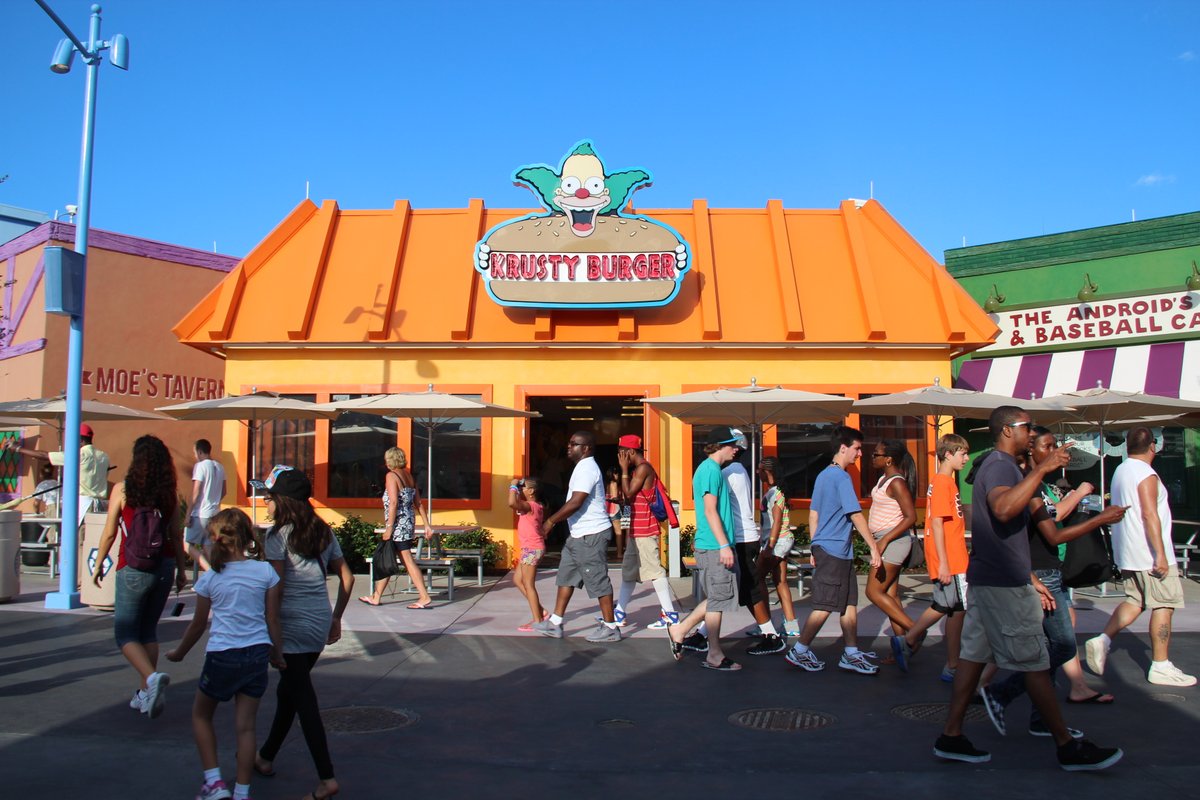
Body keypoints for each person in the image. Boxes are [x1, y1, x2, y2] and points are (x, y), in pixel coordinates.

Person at [934, 405, 1122, 771]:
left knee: (972, 661)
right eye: (1026, 428)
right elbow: (1004, 509)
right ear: (1007, 430)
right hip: (1003, 584)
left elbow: (1013, 533)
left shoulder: (1000, 466)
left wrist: (1032, 576)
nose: (1032, 435)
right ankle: (1067, 746)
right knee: (1036, 664)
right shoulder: (1002, 466)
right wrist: (1041, 469)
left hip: (993, 579)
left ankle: (951, 735)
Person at [978, 427, 1127, 737]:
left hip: (1047, 572)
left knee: (1044, 648)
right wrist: (1099, 518)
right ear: (1032, 450)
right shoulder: (1026, 485)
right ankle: (1000, 693)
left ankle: (1040, 718)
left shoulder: (1038, 485)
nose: (1057, 451)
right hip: (1041, 574)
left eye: (1056, 445)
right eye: (1048, 446)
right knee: (1060, 646)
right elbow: (1053, 532)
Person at [166, 509, 284, 800]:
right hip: (256, 655)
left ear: (215, 540)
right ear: (247, 537)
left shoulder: (210, 580)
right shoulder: (265, 572)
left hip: (222, 656)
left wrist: (179, 652)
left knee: (201, 715)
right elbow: (272, 618)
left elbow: (197, 625)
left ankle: (214, 782)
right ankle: (242, 792)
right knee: (246, 728)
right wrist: (277, 654)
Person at [256, 466, 353, 800]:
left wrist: (273, 637)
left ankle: (327, 778)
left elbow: (276, 590)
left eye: (270, 498)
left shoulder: (276, 535)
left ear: (284, 501)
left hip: (291, 626)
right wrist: (337, 617)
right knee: (290, 693)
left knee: (303, 698)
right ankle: (265, 757)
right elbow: (348, 577)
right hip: (318, 623)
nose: (266, 504)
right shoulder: (324, 530)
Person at [1086, 427, 1195, 687]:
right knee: (1164, 605)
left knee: (1136, 601)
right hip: (1149, 553)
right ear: (1153, 446)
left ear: (1126, 446)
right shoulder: (1146, 474)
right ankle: (1160, 665)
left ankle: (1103, 639)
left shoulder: (1121, 470)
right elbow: (1149, 514)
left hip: (1128, 551)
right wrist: (1159, 554)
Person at [91, 434, 187, 720]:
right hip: (164, 565)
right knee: (148, 631)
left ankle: (151, 678)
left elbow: (110, 531)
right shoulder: (169, 494)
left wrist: (98, 564)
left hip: (133, 566)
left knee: (125, 633)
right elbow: (175, 533)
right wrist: (182, 570)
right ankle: (145, 694)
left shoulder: (123, 489)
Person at [785, 425, 882, 675]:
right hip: (834, 551)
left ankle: (850, 653)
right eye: (857, 449)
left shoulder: (823, 475)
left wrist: (815, 547)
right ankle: (800, 650)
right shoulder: (840, 477)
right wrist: (874, 547)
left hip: (834, 550)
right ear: (843, 448)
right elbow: (855, 514)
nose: (859, 454)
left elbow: (814, 513)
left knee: (849, 603)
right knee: (824, 605)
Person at [891, 434, 970, 680]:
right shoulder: (943, 483)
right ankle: (916, 641)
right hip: (952, 558)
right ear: (948, 454)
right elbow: (936, 524)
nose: (966, 459)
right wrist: (944, 562)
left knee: (954, 609)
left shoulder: (944, 482)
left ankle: (950, 662)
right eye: (962, 454)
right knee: (949, 607)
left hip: (953, 556)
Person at [666, 426, 744, 670]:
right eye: (733, 444)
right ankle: (714, 654)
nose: (737, 448)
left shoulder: (711, 470)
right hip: (713, 545)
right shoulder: (710, 470)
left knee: (716, 599)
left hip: (713, 544)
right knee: (718, 600)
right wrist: (723, 545)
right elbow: (710, 510)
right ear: (720, 444)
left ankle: (680, 630)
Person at [532, 431, 622, 642]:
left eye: (574, 444)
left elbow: (576, 501)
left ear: (586, 448)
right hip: (577, 535)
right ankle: (555, 623)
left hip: (591, 535)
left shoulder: (588, 468)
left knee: (598, 581)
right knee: (566, 577)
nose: (569, 447)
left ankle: (610, 628)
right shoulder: (581, 468)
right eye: (569, 443)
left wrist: (550, 521)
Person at [722, 430, 786, 656]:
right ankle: (701, 633)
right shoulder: (739, 471)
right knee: (746, 587)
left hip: (741, 538)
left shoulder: (729, 472)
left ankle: (771, 635)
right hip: (745, 536)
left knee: (747, 589)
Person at [612, 434, 678, 629]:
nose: (620, 457)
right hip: (636, 530)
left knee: (655, 571)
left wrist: (623, 470)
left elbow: (630, 492)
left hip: (645, 530)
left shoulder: (643, 469)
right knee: (629, 572)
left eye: (622, 453)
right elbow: (631, 497)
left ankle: (670, 614)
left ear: (631, 451)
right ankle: (619, 612)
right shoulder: (637, 471)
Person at [359, 447, 434, 609]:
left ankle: (424, 596)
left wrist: (389, 528)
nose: (385, 462)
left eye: (386, 459)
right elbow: (418, 503)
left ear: (390, 460)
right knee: (389, 556)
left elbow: (393, 503)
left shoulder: (391, 476)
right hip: (408, 522)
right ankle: (376, 596)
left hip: (398, 524)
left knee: (407, 560)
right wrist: (427, 525)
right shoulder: (408, 476)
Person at [864, 439, 918, 636]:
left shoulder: (896, 482)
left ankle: (915, 631)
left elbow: (911, 516)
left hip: (893, 542)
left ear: (888, 459)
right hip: (884, 540)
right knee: (891, 595)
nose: (872, 457)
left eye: (876, 454)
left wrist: (885, 540)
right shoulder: (883, 480)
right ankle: (901, 646)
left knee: (873, 592)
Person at [6, 423, 112, 513]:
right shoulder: (104, 456)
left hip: (84, 505)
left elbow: (44, 455)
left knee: (80, 537)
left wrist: (18, 448)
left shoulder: (79, 455)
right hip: (100, 506)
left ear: (80, 440)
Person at [756, 457, 800, 638]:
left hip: (776, 543)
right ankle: (791, 624)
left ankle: (765, 625)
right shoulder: (776, 492)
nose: (757, 473)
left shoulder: (775, 494)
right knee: (780, 581)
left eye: (759, 470)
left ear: (767, 472)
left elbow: (777, 521)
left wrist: (769, 546)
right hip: (781, 542)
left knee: (756, 579)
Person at [509, 476, 547, 631]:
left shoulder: (531, 506)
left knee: (528, 585)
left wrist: (512, 486)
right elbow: (516, 503)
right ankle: (541, 611)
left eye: (523, 487)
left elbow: (512, 503)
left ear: (531, 491)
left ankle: (538, 620)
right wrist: (516, 489)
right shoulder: (533, 505)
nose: (520, 489)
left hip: (531, 548)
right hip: (529, 548)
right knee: (518, 579)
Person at [186, 439, 227, 574]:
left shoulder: (201, 466)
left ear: (199, 451)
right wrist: (213, 501)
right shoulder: (220, 467)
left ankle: (210, 571)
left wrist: (187, 515)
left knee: (187, 545)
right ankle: (217, 572)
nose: (194, 456)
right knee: (208, 546)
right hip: (215, 513)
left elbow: (196, 492)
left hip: (200, 513)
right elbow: (224, 491)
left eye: (194, 452)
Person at [605, 466, 626, 561]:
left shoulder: (607, 484)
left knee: (607, 532)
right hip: (615, 509)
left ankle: (604, 553)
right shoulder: (614, 484)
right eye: (617, 473)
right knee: (619, 533)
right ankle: (619, 553)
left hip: (607, 510)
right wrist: (622, 500)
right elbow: (615, 498)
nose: (618, 475)